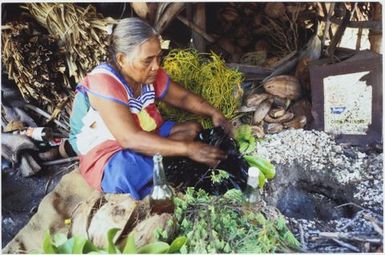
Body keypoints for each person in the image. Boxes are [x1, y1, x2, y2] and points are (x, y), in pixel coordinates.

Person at [69, 17, 232, 200]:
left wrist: (214, 113)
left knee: (192, 129)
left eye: (158, 57)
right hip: (108, 150)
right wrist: (187, 149)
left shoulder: (149, 75)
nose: (156, 66)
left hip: (143, 133)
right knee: (127, 172)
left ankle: (161, 162)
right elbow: (130, 139)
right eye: (148, 60)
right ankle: (162, 164)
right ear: (122, 59)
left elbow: (183, 97)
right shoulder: (104, 83)